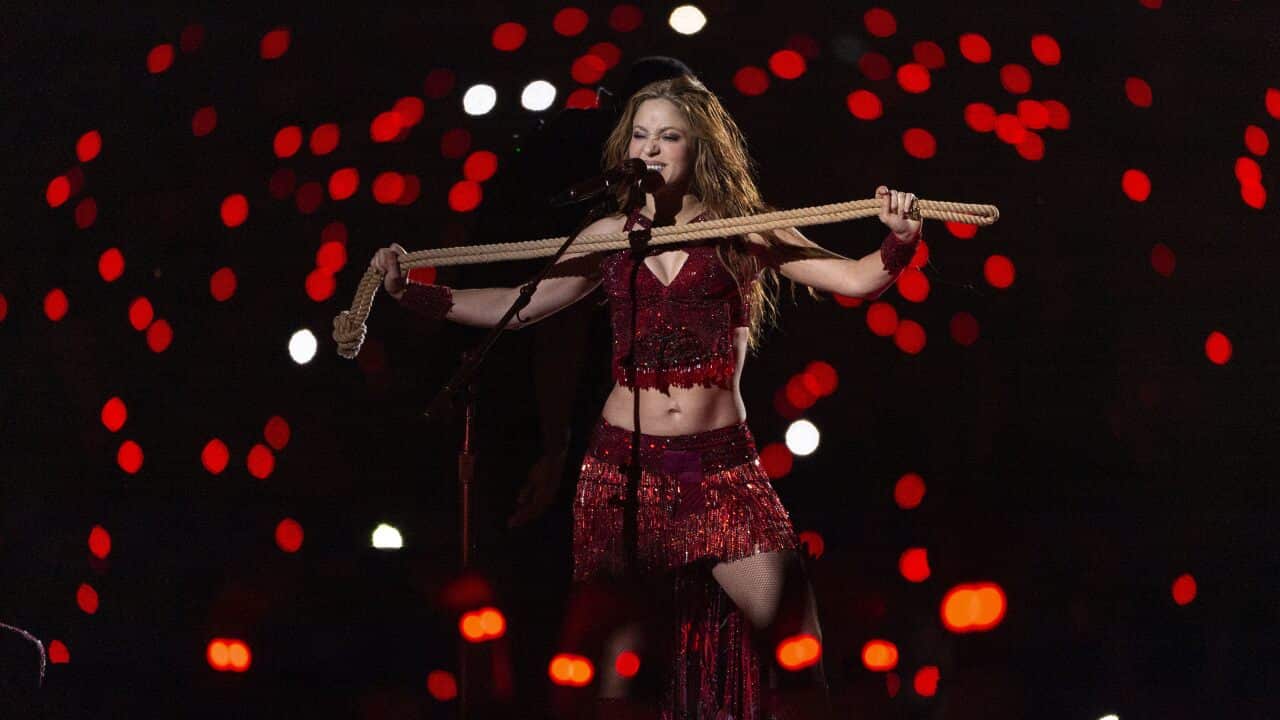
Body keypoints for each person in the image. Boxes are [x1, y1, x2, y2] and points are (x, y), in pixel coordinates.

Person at [367, 75, 922, 719]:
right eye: (640, 135)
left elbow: (855, 279)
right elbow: (516, 309)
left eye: (669, 136)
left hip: (721, 472)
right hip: (622, 474)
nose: (651, 149)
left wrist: (899, 241)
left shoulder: (746, 228)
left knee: (797, 641)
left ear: (699, 150)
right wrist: (416, 294)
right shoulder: (608, 234)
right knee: (616, 662)